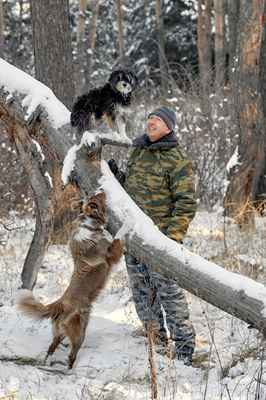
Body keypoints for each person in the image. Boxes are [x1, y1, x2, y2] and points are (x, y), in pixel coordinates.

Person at [109, 106, 197, 365]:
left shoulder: (176, 158)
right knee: (141, 291)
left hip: (162, 239)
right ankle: (155, 341)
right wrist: (116, 177)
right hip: (134, 236)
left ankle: (184, 349)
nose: (151, 122)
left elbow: (186, 202)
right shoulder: (138, 150)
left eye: (157, 120)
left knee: (169, 294)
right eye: (149, 119)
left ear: (169, 126)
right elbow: (130, 190)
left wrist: (172, 238)